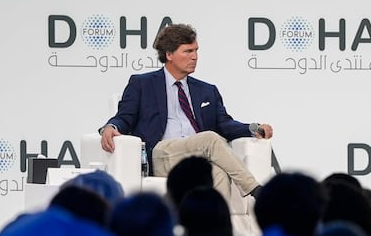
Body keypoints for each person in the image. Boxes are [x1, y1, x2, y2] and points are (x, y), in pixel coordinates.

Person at [98, 23, 273, 204]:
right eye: (188, 51)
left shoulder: (207, 90)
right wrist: (111, 127)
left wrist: (253, 129)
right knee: (210, 139)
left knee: (219, 173)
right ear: (169, 54)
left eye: (196, 50)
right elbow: (124, 116)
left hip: (198, 156)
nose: (195, 57)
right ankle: (255, 190)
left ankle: (216, 229)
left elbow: (224, 124)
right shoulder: (142, 84)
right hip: (162, 154)